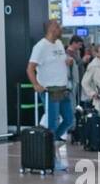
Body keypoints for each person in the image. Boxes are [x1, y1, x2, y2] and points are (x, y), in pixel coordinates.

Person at [26, 20, 74, 173]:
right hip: (49, 90)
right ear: (52, 29)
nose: (61, 28)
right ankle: (51, 157)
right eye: (58, 26)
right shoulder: (40, 46)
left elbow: (60, 61)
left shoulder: (59, 44)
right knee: (52, 123)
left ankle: (50, 142)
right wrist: (36, 85)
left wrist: (67, 61)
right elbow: (30, 68)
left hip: (62, 88)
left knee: (69, 119)